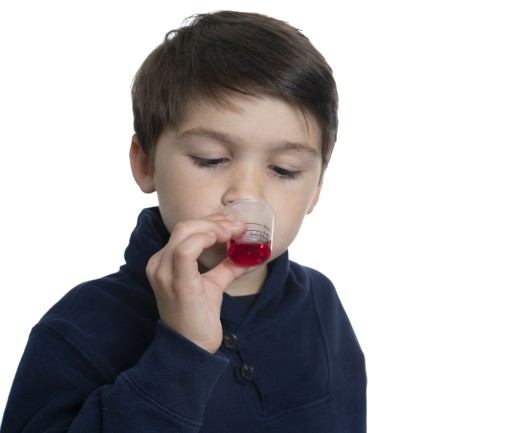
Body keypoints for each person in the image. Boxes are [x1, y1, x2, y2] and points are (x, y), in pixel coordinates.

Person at [1, 10, 366, 432]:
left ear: (316, 190)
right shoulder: (78, 332)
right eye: (210, 159)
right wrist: (182, 352)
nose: (247, 193)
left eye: (284, 169)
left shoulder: (321, 304)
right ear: (145, 164)